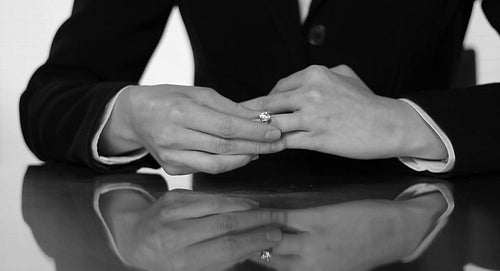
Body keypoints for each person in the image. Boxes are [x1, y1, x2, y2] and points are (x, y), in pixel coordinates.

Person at [20, 0, 500, 178]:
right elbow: (52, 94)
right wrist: (129, 115)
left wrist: (405, 122)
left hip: (423, 233)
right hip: (225, 245)